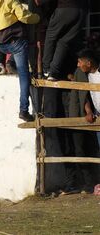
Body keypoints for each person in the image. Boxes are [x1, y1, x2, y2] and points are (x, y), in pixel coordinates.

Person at [36, 0, 89, 80]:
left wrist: (40, 1)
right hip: (82, 11)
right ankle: (53, 73)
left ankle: (46, 68)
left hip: (66, 8)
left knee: (50, 36)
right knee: (64, 41)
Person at [63, 49, 100, 194]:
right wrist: (89, 111)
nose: (78, 65)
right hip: (97, 116)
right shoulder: (83, 74)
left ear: (89, 63)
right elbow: (83, 95)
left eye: (80, 62)